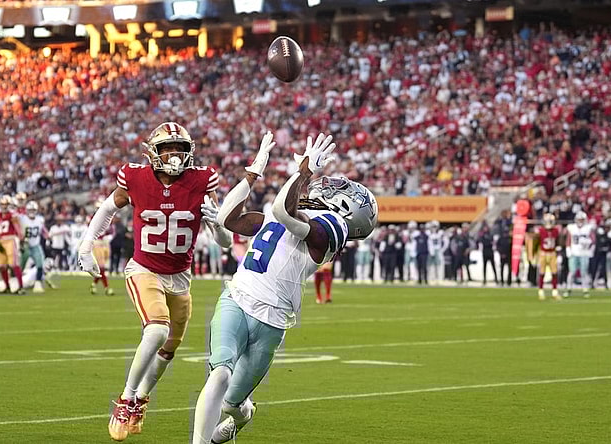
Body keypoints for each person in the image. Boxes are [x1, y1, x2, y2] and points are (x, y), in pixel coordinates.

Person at [191, 132, 378, 444]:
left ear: (347, 209)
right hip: (237, 298)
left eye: (341, 191)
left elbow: (281, 211)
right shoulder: (298, 209)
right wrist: (254, 171)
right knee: (220, 373)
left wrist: (304, 172)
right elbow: (227, 219)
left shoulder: (332, 229)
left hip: (272, 321)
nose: (330, 186)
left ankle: (242, 414)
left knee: (230, 403)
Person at [77, 121, 231, 442]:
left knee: (169, 347)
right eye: (167, 148)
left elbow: (226, 243)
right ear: (153, 152)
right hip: (144, 268)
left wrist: (218, 224)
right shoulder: (135, 177)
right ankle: (126, 398)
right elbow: (107, 209)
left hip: (180, 276)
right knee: (157, 329)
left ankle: (141, 399)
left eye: (180, 148)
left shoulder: (202, 181)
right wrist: (86, 244)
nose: (174, 154)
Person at [0, 195, 25, 294]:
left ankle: (20, 286)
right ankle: (7, 286)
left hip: (11, 239)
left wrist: (21, 238)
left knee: (13, 264)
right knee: (1, 265)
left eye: (6, 205)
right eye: (2, 205)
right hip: (1, 241)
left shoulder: (13, 215)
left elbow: (18, 228)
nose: (4, 207)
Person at [19, 201, 49, 293]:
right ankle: (17, 282)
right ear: (27, 210)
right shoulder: (22, 218)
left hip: (35, 244)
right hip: (25, 245)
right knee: (21, 265)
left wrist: (47, 235)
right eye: (30, 210)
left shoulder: (39, 219)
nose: (32, 211)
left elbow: (43, 229)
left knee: (40, 263)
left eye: (33, 210)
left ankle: (38, 283)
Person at [565, 211, 595, 298]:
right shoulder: (572, 228)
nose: (580, 221)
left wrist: (590, 248)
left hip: (584, 253)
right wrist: (568, 249)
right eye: (579, 219)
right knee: (572, 272)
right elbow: (568, 239)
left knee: (584, 272)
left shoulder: (588, 228)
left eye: (582, 220)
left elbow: (593, 240)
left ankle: (585, 290)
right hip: (574, 252)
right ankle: (568, 289)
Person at [535, 213, 561, 300]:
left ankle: (554, 291)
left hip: (552, 252)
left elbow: (558, 241)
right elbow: (537, 242)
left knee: (554, 273)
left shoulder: (555, 231)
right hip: (543, 253)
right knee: (542, 273)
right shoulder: (541, 230)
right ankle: (541, 291)